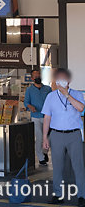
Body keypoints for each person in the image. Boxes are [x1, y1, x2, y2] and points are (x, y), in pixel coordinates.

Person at [42, 68, 85, 205]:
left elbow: (80, 108)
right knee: (57, 166)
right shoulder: (51, 97)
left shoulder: (77, 94)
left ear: (69, 80)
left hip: (74, 135)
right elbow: (47, 117)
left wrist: (67, 95)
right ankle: (58, 195)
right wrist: (44, 137)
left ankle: (82, 196)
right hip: (56, 135)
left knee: (78, 166)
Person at [25, 68, 52, 165]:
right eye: (35, 76)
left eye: (39, 75)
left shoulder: (48, 89)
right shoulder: (29, 90)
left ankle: (45, 152)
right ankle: (41, 158)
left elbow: (52, 101)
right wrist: (30, 106)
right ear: (32, 78)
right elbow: (26, 102)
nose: (37, 77)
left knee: (48, 137)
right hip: (35, 117)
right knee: (39, 137)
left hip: (47, 117)